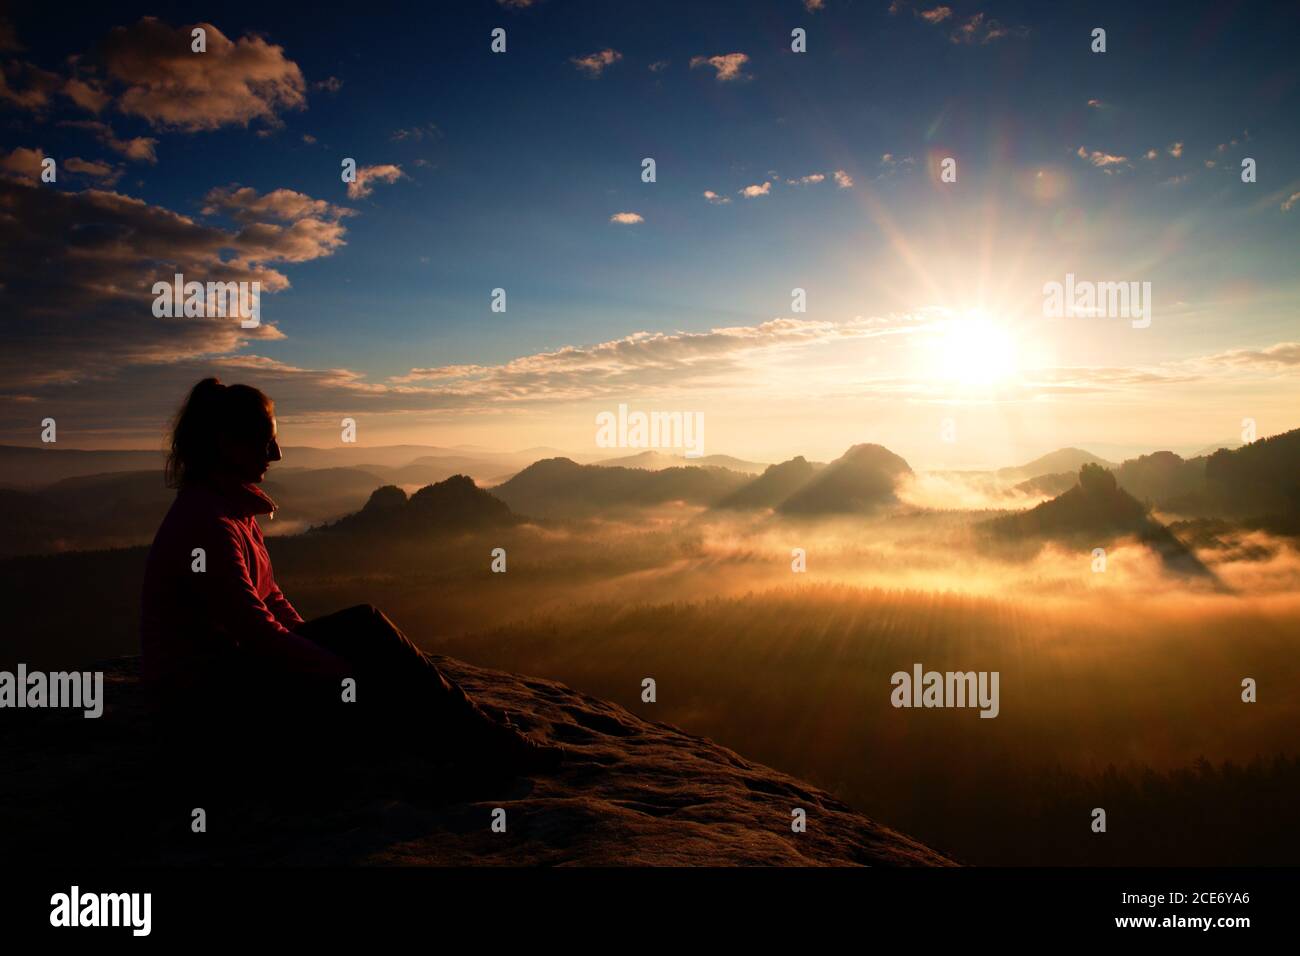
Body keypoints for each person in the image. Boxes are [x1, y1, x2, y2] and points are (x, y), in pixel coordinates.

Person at [140, 377, 564, 780]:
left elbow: (269, 598)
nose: (277, 453)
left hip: (228, 681)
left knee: (364, 631)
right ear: (226, 444)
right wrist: (340, 670)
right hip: (202, 709)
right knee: (366, 641)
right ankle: (486, 742)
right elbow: (256, 632)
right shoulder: (207, 523)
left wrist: (319, 645)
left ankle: (479, 733)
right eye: (265, 440)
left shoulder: (230, 509)